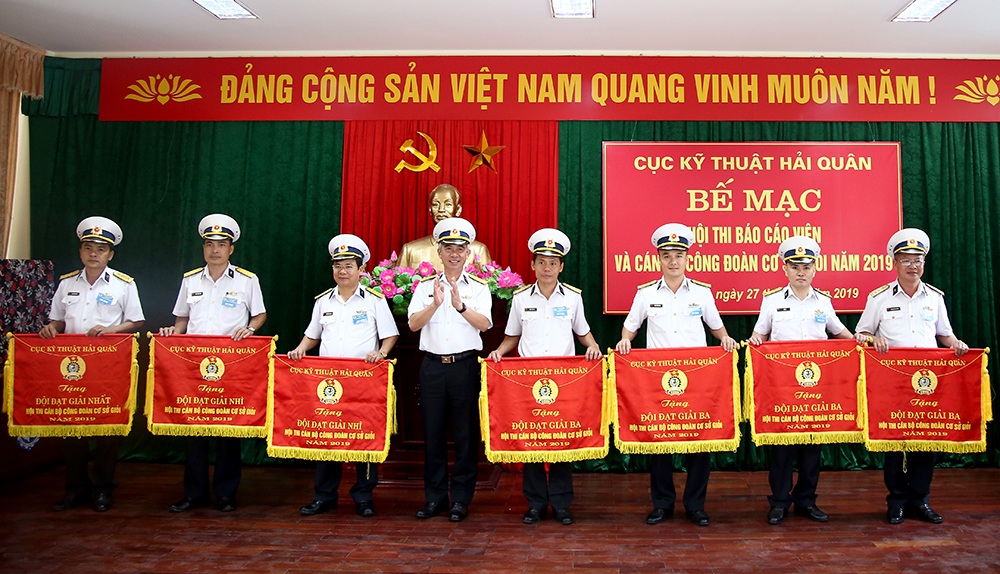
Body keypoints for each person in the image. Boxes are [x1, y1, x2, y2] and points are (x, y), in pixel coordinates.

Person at [614, 223, 738, 527]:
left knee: (699, 442)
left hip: (697, 379)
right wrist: (625, 341)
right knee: (661, 442)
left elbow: (716, 327)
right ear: (658, 258)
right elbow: (630, 328)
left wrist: (725, 339)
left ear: (687, 258)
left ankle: (696, 506)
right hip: (658, 379)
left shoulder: (702, 293)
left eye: (678, 255)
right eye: (667, 255)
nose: (673, 261)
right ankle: (662, 504)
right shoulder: (645, 294)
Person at [487, 229, 602, 526]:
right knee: (533, 440)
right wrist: (499, 351)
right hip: (529, 381)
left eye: (553, 263)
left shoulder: (573, 298)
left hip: (564, 381)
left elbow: (583, 332)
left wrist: (593, 347)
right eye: (541, 262)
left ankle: (562, 504)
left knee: (561, 440)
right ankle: (536, 504)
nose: (547, 268)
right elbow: (512, 336)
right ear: (533, 265)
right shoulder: (520, 298)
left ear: (561, 267)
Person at [855, 228, 968, 525]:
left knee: (926, 442)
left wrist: (956, 344)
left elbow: (945, 334)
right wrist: (873, 339)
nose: (912, 265)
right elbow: (861, 333)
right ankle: (896, 501)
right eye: (906, 260)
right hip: (893, 381)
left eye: (917, 260)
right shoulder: (879, 298)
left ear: (924, 264)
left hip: (927, 383)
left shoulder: (934, 298)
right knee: (895, 442)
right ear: (895, 263)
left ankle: (921, 499)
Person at [159, 214, 267, 513]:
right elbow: (182, 319)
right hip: (193, 365)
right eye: (209, 244)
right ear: (203, 248)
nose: (215, 250)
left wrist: (250, 329)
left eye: (221, 244)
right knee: (194, 430)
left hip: (231, 365)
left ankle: (226, 493)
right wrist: (172, 332)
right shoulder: (190, 280)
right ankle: (194, 493)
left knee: (227, 431)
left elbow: (259, 314)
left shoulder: (247, 280)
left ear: (231, 249)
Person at [288, 234, 398, 517]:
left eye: (349, 266)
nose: (342, 271)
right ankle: (324, 496)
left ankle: (364, 496)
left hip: (363, 380)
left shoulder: (374, 300)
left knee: (364, 436)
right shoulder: (323, 301)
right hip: (329, 382)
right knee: (328, 436)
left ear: (361, 270)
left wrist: (381, 353)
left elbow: (390, 335)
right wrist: (300, 349)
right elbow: (312, 335)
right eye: (338, 266)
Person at [748, 236, 854, 525]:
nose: (801, 272)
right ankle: (779, 502)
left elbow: (840, 334)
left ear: (814, 269)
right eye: (795, 267)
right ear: (785, 268)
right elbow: (760, 334)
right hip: (782, 390)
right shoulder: (772, 301)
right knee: (781, 449)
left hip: (816, 390)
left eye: (806, 267)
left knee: (811, 449)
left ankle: (806, 501)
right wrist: (755, 340)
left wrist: (860, 342)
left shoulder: (824, 302)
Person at [42, 216, 145, 512]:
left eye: (100, 249)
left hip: (107, 365)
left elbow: (136, 321)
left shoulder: (123, 284)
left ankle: (103, 488)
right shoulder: (66, 284)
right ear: (80, 251)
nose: (93, 254)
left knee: (106, 428)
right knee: (71, 427)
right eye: (88, 248)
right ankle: (75, 488)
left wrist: (111, 330)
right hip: (71, 368)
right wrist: (51, 329)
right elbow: (57, 320)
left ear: (110, 254)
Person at [407, 217, 492, 522]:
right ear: (439, 252)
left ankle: (461, 500)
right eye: (448, 248)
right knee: (432, 435)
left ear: (468, 253)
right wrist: (435, 304)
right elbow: (413, 324)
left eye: (460, 249)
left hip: (464, 368)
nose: (454, 254)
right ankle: (435, 498)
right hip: (432, 367)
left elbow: (485, 324)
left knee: (465, 435)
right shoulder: (424, 287)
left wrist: (460, 306)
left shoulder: (479, 288)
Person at [398, 184, 492, 271]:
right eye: (435, 205)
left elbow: (487, 281)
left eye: (448, 204)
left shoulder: (478, 250)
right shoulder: (410, 250)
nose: (441, 210)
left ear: (458, 210)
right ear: (430, 210)